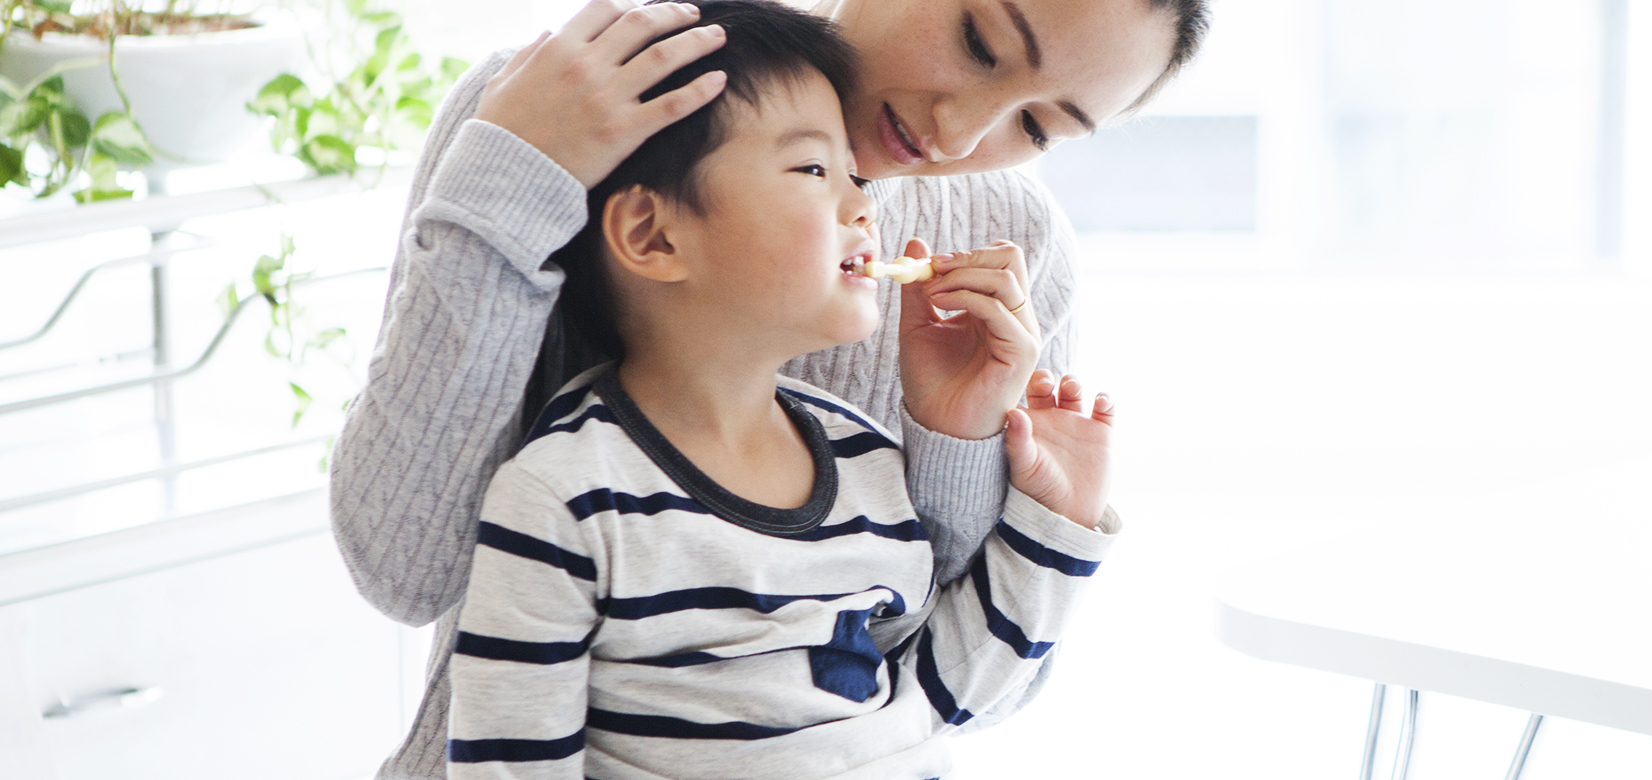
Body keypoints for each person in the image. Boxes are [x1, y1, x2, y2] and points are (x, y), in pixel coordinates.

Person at [329, 0, 1207, 776]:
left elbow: (957, 684)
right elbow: (407, 572)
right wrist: (516, 176)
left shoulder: (1010, 237)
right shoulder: (564, 107)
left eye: (1042, 126)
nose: (962, 134)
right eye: (979, 41)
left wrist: (955, 440)